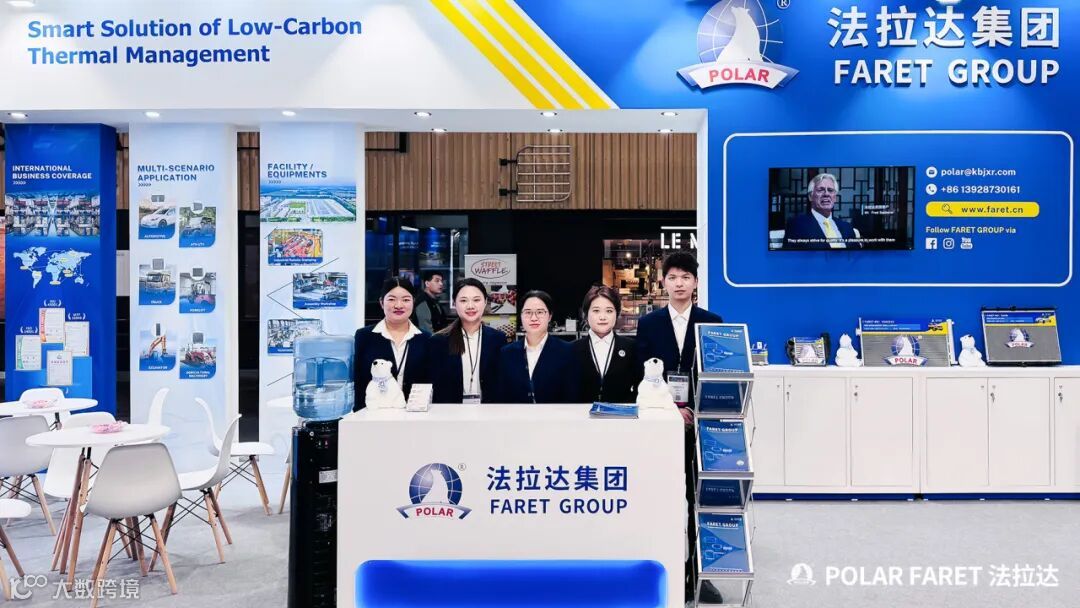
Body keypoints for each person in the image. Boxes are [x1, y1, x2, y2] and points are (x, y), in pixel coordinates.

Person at [634, 251, 723, 604]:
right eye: (673, 277)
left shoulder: (712, 321)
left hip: (701, 426)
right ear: (663, 282)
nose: (679, 283)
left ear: (696, 282)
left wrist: (696, 411)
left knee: (700, 499)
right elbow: (643, 377)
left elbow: (718, 374)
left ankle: (700, 575)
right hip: (662, 426)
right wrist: (671, 409)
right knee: (666, 497)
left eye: (686, 277)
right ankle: (668, 567)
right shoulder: (649, 324)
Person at [353, 277, 431, 410]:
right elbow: (359, 381)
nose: (399, 305)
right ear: (381, 302)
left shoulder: (426, 339)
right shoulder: (364, 336)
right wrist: (359, 414)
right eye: (391, 299)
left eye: (406, 300)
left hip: (415, 415)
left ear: (413, 302)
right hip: (374, 415)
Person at [427, 278, 506, 404]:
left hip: (489, 411)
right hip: (450, 411)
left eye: (476, 300)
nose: (470, 306)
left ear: (485, 302)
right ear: (455, 303)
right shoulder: (439, 341)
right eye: (463, 300)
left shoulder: (498, 339)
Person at [497, 290, 579, 403]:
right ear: (521, 315)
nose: (534, 318)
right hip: (516, 414)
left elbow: (571, 395)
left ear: (550, 316)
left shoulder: (567, 351)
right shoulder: (506, 353)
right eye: (528, 312)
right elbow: (502, 396)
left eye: (540, 312)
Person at [573, 285, 640, 404]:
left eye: (609, 311)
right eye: (596, 311)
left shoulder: (632, 348)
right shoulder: (571, 349)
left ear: (617, 313)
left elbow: (640, 388)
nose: (602, 317)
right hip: (581, 414)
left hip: (621, 414)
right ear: (586, 314)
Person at [783, 172, 861, 249]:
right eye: (820, 190)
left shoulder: (847, 227)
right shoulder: (797, 225)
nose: (826, 194)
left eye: (830, 190)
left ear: (835, 198)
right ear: (810, 196)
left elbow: (857, 255)